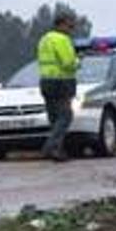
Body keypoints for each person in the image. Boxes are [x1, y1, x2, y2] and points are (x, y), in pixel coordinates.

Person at [37, 13, 79, 162]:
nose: (71, 29)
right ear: (61, 24)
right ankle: (51, 146)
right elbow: (68, 63)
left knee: (54, 117)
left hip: (46, 81)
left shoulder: (44, 39)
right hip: (62, 81)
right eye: (70, 26)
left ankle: (57, 150)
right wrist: (78, 60)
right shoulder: (62, 39)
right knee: (66, 116)